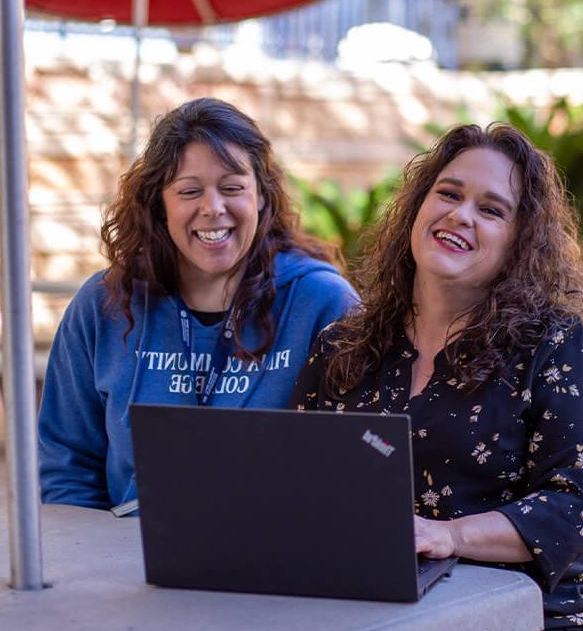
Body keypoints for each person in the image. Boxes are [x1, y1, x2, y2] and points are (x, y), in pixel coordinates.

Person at [290, 122, 583, 631]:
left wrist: (448, 535)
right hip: (391, 625)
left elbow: (575, 504)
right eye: (449, 194)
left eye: (492, 209)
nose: (460, 215)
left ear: (518, 243)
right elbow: (295, 474)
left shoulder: (554, 348)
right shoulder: (345, 346)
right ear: (417, 207)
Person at [39, 97, 356, 512]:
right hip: (129, 558)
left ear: (261, 196)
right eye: (189, 191)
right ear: (160, 203)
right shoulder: (103, 305)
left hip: (277, 557)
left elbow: (359, 459)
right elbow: (66, 465)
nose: (213, 208)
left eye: (232, 188)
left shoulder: (323, 303)